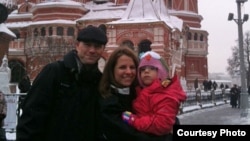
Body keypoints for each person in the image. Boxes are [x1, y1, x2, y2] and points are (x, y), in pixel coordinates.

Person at [16, 25, 108, 141]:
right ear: (77, 45)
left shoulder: (99, 81)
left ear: (103, 49)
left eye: (97, 46)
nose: (92, 50)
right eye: (87, 45)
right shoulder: (55, 72)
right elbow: (32, 117)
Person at [99, 47, 169, 141]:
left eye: (132, 67)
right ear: (112, 70)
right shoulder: (108, 101)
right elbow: (131, 136)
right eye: (122, 67)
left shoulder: (138, 93)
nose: (129, 72)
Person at [121, 51, 187, 136]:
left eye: (152, 68)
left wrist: (134, 120)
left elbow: (162, 124)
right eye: (142, 69)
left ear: (161, 72)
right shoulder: (142, 90)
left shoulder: (166, 94)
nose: (146, 71)